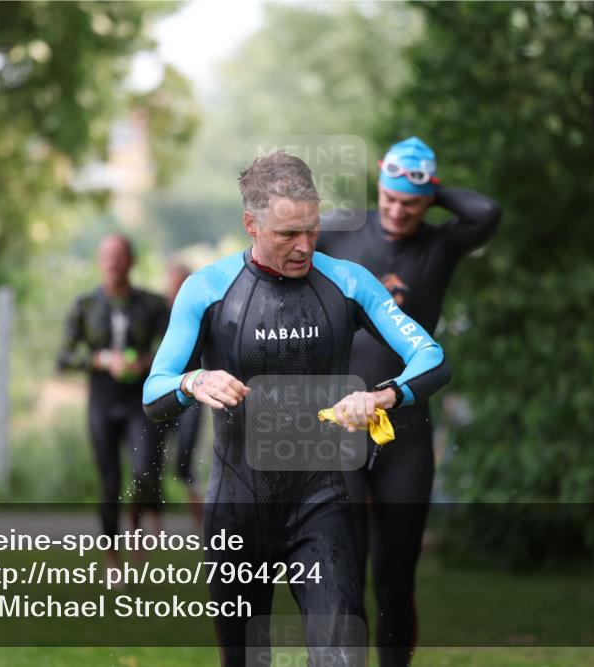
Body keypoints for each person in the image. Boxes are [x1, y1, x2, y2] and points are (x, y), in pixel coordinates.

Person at [143, 150, 453, 666]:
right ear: (251, 225)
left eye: (311, 229)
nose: (305, 245)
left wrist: (384, 395)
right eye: (288, 234)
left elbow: (431, 357)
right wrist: (194, 380)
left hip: (323, 503)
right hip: (238, 507)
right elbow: (155, 391)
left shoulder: (349, 281)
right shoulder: (208, 289)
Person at [316, 136, 501, 667]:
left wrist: (428, 187)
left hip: (406, 425)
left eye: (412, 203)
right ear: (378, 187)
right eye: (390, 197)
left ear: (428, 201)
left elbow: (488, 212)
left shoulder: (439, 245)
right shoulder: (339, 231)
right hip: (341, 424)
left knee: (396, 577)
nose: (398, 211)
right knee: (343, 570)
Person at [57, 234, 170, 569]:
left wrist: (144, 363)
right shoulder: (85, 305)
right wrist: (103, 360)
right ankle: (111, 557)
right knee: (109, 482)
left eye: (119, 256)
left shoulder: (152, 304)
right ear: (99, 260)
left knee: (144, 472)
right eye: (107, 256)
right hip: (103, 402)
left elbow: (174, 348)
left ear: (131, 261)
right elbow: (64, 358)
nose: (113, 262)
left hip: (140, 402)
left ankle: (136, 527)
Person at [159, 260, 204, 522]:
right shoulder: (158, 315)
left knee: (184, 465)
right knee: (148, 467)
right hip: (163, 394)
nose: (176, 293)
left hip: (191, 396)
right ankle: (148, 533)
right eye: (173, 287)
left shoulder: (199, 313)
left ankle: (203, 526)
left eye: (181, 287)